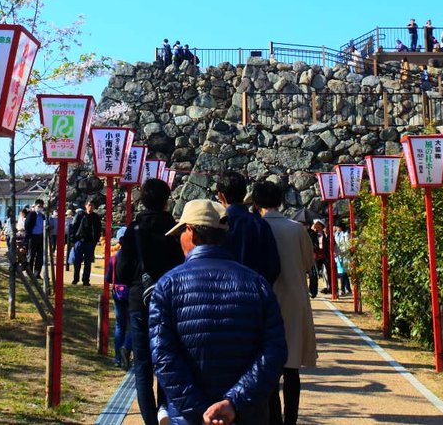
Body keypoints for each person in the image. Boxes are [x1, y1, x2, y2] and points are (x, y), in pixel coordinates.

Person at [150, 199, 287, 425]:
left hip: (189, 417)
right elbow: (274, 350)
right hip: (246, 415)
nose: (180, 240)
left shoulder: (168, 285)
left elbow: (163, 357)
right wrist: (234, 403)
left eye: (181, 232)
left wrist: (199, 411)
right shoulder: (257, 284)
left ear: (191, 232)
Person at [116, 178, 185, 425]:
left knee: (143, 366)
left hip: (139, 302)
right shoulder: (175, 230)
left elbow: (122, 272)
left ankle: (150, 420)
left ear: (141, 200)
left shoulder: (134, 229)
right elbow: (181, 267)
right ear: (167, 200)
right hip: (170, 303)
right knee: (167, 360)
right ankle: (164, 410)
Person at [252, 181, 317, 425]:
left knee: (268, 368)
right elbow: (308, 263)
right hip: (294, 300)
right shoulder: (296, 229)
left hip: (264, 302)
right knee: (291, 368)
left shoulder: (255, 228)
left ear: (256, 203)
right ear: (280, 201)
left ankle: (273, 420)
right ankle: (291, 420)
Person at [216, 171, 280, 283]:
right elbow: (273, 266)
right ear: (245, 193)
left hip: (224, 292)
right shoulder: (260, 224)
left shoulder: (216, 224)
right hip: (254, 292)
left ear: (221, 196)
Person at [107, 226, 133, 369]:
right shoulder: (134, 256)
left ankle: (117, 358)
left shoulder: (113, 258)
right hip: (131, 293)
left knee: (119, 325)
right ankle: (127, 346)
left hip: (117, 293)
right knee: (133, 324)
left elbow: (107, 279)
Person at [71, 199, 102, 286]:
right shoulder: (80, 215)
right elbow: (73, 227)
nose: (90, 207)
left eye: (92, 205)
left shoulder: (96, 217)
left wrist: (96, 240)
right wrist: (73, 240)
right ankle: (75, 279)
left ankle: (86, 280)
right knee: (77, 261)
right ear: (85, 206)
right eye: (89, 205)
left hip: (90, 243)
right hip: (79, 241)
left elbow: (98, 229)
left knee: (88, 263)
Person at [24, 200, 46, 278]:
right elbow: (27, 225)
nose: (40, 208)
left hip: (40, 237)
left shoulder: (42, 216)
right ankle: (29, 273)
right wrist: (28, 236)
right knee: (31, 255)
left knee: (40, 256)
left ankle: (37, 273)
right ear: (35, 206)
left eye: (41, 206)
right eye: (39, 206)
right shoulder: (31, 214)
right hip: (32, 237)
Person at [311, 219, 331, 294]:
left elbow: (332, 242)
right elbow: (310, 241)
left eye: (319, 225)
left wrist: (326, 234)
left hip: (325, 254)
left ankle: (329, 288)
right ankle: (313, 290)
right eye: (316, 225)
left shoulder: (326, 233)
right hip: (316, 254)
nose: (318, 227)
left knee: (327, 271)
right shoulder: (313, 234)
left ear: (322, 226)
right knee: (315, 272)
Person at [333, 224, 352, 295]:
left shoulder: (345, 234)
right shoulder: (336, 234)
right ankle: (348, 289)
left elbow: (347, 245)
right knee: (343, 273)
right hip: (338, 255)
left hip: (344, 255)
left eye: (337, 227)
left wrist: (341, 251)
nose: (336, 228)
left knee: (342, 273)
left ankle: (342, 289)